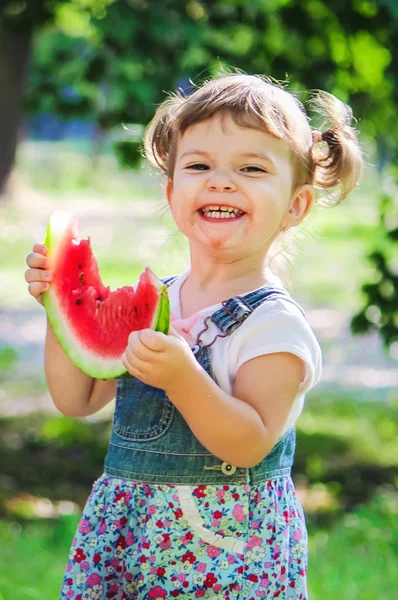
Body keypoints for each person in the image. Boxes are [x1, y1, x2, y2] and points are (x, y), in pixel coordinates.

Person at [25, 72, 362, 600]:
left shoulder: (274, 325)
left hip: (226, 556)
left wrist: (184, 378)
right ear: (172, 190)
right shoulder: (158, 301)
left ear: (295, 206)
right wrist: (59, 308)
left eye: (251, 169)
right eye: (199, 166)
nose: (221, 182)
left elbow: (249, 443)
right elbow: (77, 398)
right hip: (130, 543)